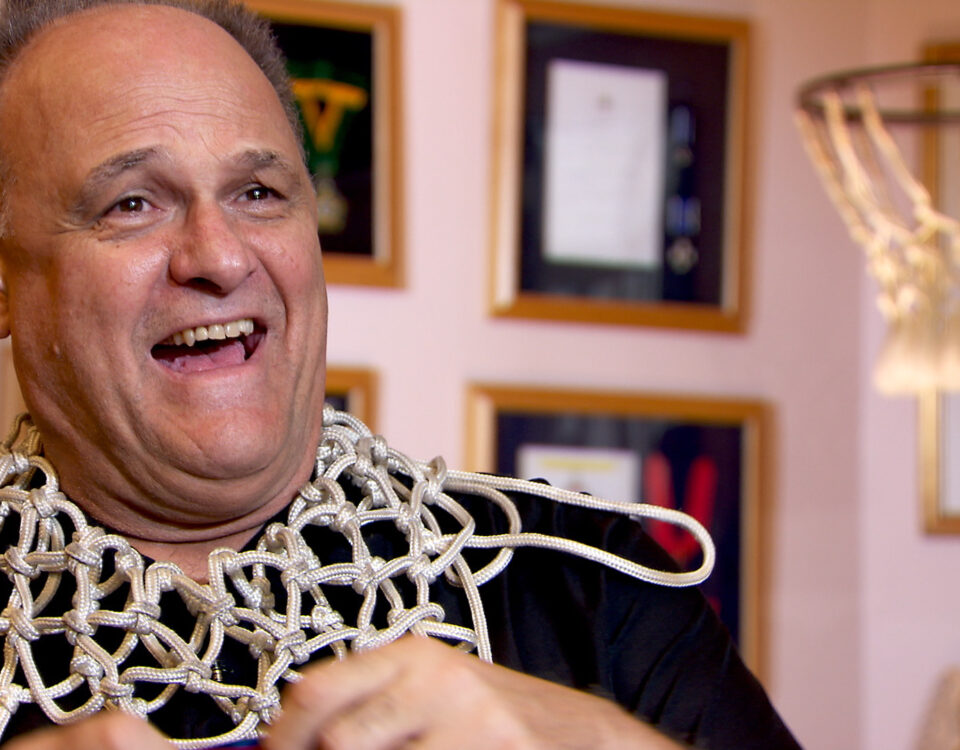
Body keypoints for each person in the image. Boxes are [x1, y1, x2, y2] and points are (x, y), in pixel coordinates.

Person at [0, 1, 800, 748]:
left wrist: (605, 742)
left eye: (258, 192)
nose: (220, 255)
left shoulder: (584, 585)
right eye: (132, 204)